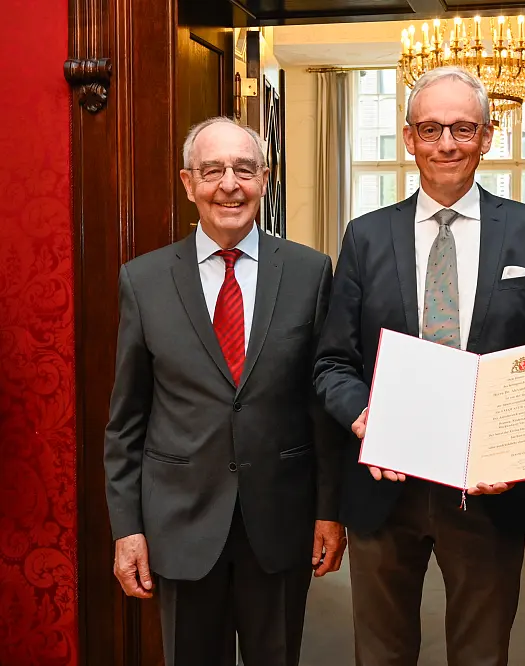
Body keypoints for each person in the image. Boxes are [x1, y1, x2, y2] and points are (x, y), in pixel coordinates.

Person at [315, 66, 525, 666]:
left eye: (462, 128)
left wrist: (521, 448)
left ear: (488, 135)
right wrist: (364, 418)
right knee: (380, 653)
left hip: (489, 490)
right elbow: (332, 363)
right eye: (431, 129)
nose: (446, 144)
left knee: (483, 654)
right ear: (408, 138)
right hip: (385, 486)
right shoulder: (366, 237)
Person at [103, 117, 346, 666]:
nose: (228, 185)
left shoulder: (310, 273)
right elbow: (127, 420)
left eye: (243, 169)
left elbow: (321, 406)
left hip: (281, 520)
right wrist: (128, 529)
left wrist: (330, 511)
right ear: (188, 183)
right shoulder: (143, 281)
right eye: (212, 170)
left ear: (266, 178)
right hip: (179, 525)